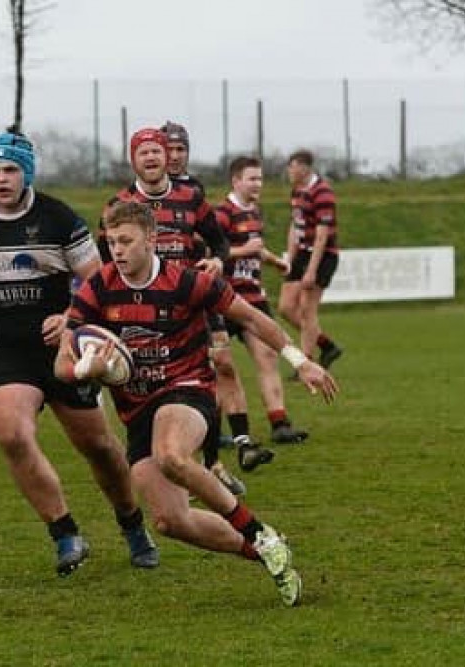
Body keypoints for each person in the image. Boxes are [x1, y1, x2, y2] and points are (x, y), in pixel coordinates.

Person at [56, 201, 339, 606]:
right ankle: (266, 551)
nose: (116, 250)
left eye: (125, 241)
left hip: (187, 388)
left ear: (151, 240)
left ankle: (257, 530)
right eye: (111, 241)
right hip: (137, 410)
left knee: (171, 454)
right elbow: (62, 364)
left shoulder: (185, 282)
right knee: (171, 521)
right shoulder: (97, 288)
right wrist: (87, 368)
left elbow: (254, 319)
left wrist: (300, 360)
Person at [0, 132, 159, 576]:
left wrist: (69, 316)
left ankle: (132, 524)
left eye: (10, 170)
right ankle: (65, 533)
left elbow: (98, 281)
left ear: (26, 172)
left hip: (62, 353)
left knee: (100, 448)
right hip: (7, 354)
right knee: (10, 433)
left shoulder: (58, 219)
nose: (1, 179)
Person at [97, 127, 259, 495]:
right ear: (133, 159)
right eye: (144, 152)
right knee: (144, 375)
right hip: (140, 308)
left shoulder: (191, 197)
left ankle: (214, 462)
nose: (152, 158)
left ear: (167, 157)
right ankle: (152, 450)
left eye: (157, 151)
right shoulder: (118, 205)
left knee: (211, 370)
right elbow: (104, 259)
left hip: (191, 302)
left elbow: (218, 242)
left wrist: (216, 261)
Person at [158, 122, 275, 475]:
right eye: (169, 149)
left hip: (199, 292)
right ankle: (203, 461)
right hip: (161, 300)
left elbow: (216, 240)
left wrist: (215, 258)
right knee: (178, 377)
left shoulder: (194, 189)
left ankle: (242, 445)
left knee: (222, 363)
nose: (176, 156)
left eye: (181, 150)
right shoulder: (140, 196)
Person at [217, 156, 310, 448]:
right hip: (224, 298)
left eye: (260, 178)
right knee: (219, 365)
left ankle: (279, 423)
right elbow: (211, 253)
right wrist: (245, 249)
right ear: (236, 181)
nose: (258, 183)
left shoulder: (254, 212)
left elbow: (256, 250)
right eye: (252, 178)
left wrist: (274, 262)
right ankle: (213, 430)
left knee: (268, 356)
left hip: (254, 297)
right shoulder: (221, 214)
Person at [278, 149, 344, 369]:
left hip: (323, 254)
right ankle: (327, 345)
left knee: (307, 309)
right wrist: (290, 259)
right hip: (304, 251)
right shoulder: (296, 191)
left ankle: (306, 362)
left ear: (304, 168)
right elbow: (294, 226)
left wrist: (311, 270)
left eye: (292, 166)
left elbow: (322, 235)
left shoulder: (323, 192)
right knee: (286, 307)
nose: (289, 171)